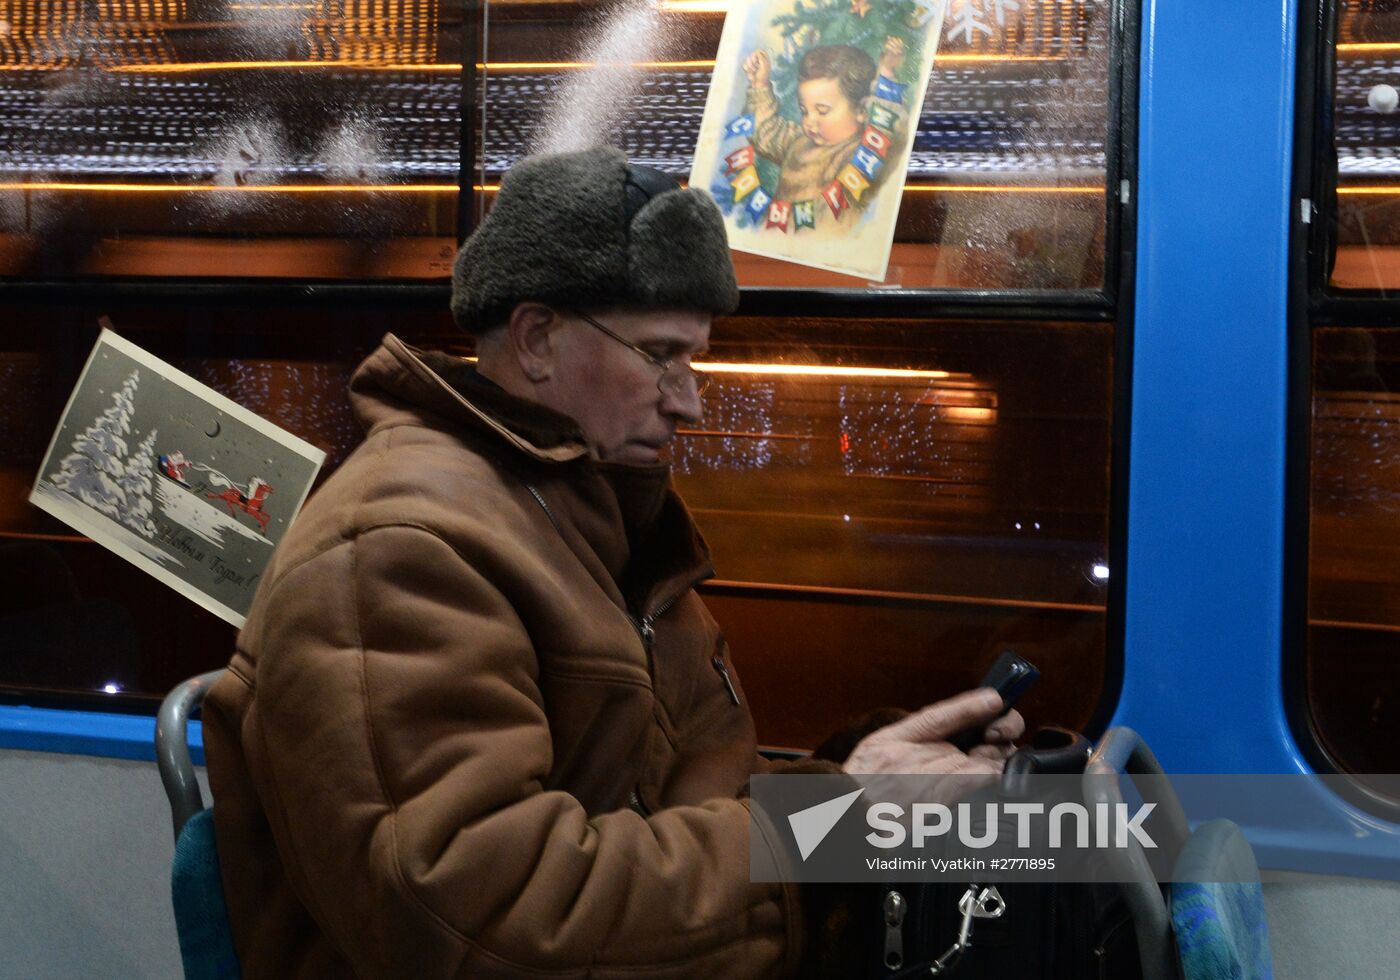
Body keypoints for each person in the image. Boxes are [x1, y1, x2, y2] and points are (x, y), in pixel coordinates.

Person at [202, 145, 1022, 979]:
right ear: (537, 338)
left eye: (692, 358)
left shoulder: (601, 532)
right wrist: (836, 824)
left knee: (1069, 850)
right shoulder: (397, 552)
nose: (690, 399)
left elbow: (684, 793)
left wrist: (870, 773)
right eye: (660, 354)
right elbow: (489, 916)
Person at [743, 38, 906, 209]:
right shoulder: (800, 142)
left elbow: (890, 130)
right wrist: (759, 84)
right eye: (804, 111)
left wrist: (886, 74)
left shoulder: (863, 154)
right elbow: (765, 133)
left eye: (822, 111)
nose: (809, 121)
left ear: (861, 110)